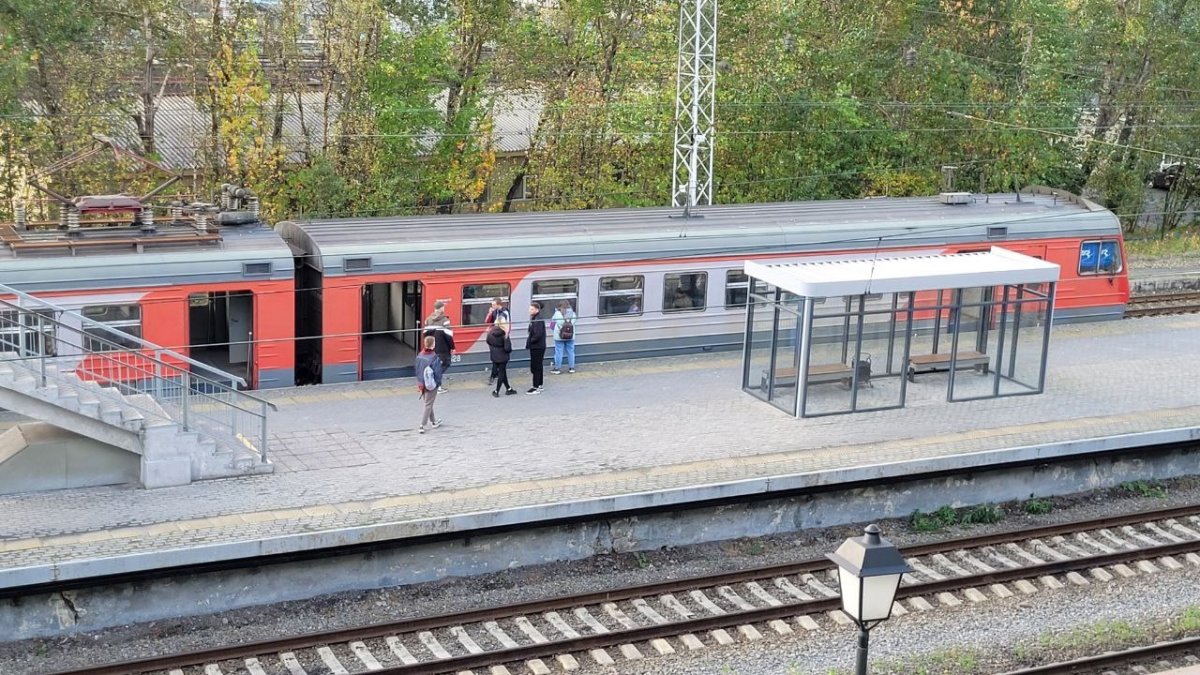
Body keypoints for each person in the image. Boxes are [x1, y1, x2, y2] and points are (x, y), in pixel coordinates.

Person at [413, 335, 443, 434]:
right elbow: (438, 373)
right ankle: (422, 425)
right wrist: (438, 384)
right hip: (431, 384)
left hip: (422, 384)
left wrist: (420, 382)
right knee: (428, 404)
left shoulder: (419, 356)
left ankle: (434, 421)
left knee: (428, 403)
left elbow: (417, 370)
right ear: (433, 345)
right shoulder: (434, 357)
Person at [423, 301, 454, 393]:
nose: (444, 308)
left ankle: (432, 382)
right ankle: (437, 385)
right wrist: (452, 347)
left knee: (435, 365)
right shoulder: (445, 321)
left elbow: (425, 333)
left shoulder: (428, 319)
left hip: (432, 347)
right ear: (441, 308)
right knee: (445, 364)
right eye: (443, 307)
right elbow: (449, 336)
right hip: (443, 348)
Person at [487, 318, 516, 397]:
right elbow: (508, 348)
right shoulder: (504, 334)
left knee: (503, 372)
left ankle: (508, 389)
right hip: (503, 356)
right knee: (501, 373)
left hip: (494, 355)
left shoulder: (490, 332)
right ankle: (497, 391)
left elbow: (488, 341)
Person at [484, 297, 510, 384]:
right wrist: (489, 313)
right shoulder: (495, 312)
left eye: (494, 305)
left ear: (499, 304)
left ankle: (495, 375)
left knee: (498, 357)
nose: (492, 306)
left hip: (501, 337)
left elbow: (506, 326)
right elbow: (487, 322)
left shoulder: (504, 313)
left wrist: (506, 336)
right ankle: (497, 374)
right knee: (495, 357)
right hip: (494, 336)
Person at [525, 301, 547, 394]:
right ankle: (539, 384)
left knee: (535, 366)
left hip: (537, 346)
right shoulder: (535, 318)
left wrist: (531, 341)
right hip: (539, 346)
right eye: (530, 309)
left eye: (532, 309)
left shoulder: (537, 320)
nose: (530, 311)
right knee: (539, 365)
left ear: (537, 310)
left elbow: (537, 334)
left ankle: (535, 387)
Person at [550, 300, 576, 374]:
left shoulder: (557, 314)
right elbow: (573, 323)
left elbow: (552, 325)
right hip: (570, 336)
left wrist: (557, 329)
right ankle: (571, 368)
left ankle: (557, 369)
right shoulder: (573, 314)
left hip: (559, 336)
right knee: (571, 351)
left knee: (559, 352)